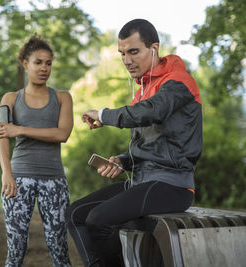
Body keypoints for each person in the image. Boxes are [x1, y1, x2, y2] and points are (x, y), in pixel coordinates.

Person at [66, 19, 202, 267]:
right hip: (142, 181)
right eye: (122, 53)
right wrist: (123, 160)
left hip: (173, 187)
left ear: (154, 48)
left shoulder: (178, 81)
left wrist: (104, 114)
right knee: (75, 214)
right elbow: (152, 143)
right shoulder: (143, 90)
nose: (126, 60)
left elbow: (150, 112)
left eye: (133, 51)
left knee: (98, 219)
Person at [0, 34, 73, 267]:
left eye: (48, 63)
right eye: (38, 62)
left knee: (59, 248)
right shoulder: (9, 98)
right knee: (15, 250)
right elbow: (1, 136)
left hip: (54, 181)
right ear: (25, 63)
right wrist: (6, 173)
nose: (44, 68)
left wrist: (19, 129)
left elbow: (62, 134)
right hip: (18, 179)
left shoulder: (62, 98)